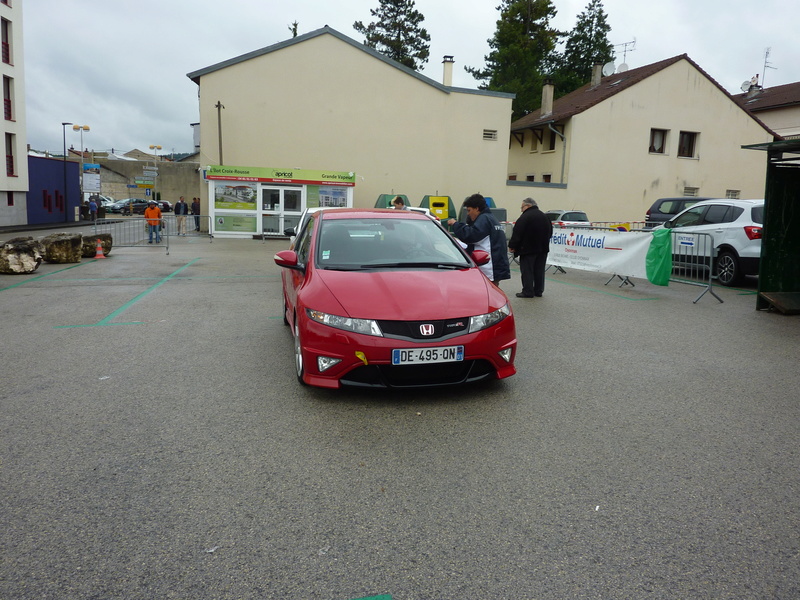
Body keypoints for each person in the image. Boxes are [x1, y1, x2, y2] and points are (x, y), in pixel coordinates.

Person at [446, 193, 510, 286]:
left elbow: (470, 235)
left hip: (488, 267)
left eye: (469, 210)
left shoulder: (484, 219)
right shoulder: (491, 218)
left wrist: (456, 225)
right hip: (497, 265)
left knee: (487, 293)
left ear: (477, 208)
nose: (468, 213)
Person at [507, 197, 553, 298]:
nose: (521, 209)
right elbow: (550, 232)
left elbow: (517, 233)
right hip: (542, 249)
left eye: (522, 207)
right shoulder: (545, 217)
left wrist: (512, 245)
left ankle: (528, 291)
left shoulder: (525, 217)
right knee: (539, 270)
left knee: (527, 270)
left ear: (528, 206)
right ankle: (538, 290)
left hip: (527, 249)